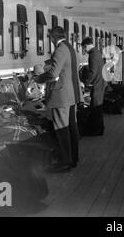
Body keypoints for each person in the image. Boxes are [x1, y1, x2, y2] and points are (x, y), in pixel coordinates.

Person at [34, 26, 82, 173]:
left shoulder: (60, 49)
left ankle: (64, 161)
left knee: (62, 129)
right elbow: (64, 63)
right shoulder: (70, 48)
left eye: (50, 38)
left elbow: (54, 73)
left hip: (62, 95)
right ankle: (73, 158)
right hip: (72, 94)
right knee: (71, 127)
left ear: (53, 38)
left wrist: (38, 78)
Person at [81, 36, 106, 136]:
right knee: (96, 107)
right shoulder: (97, 52)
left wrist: (85, 82)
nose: (84, 50)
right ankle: (98, 128)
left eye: (83, 48)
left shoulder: (93, 55)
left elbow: (93, 72)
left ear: (86, 45)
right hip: (101, 82)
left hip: (98, 84)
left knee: (96, 108)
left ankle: (97, 130)